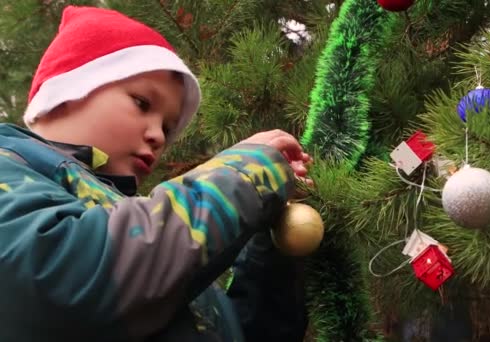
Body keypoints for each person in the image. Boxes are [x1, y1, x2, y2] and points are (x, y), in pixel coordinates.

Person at [0, 5, 309, 342]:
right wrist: (247, 174)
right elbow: (61, 282)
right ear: (65, 95)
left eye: (167, 126)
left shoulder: (151, 247)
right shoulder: (10, 166)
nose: (159, 136)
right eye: (143, 104)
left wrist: (272, 248)